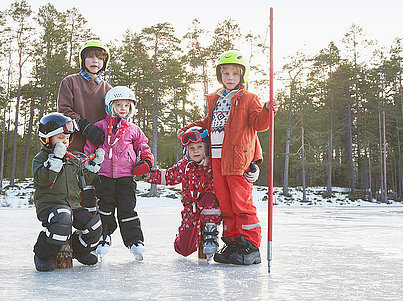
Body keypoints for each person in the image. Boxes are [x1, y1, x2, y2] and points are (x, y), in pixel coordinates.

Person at [178, 51, 277, 266]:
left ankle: (249, 245)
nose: (230, 78)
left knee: (241, 204)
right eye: (226, 73)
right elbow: (208, 122)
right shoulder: (216, 99)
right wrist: (188, 128)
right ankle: (232, 242)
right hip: (217, 159)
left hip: (237, 159)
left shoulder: (249, 98)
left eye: (234, 74)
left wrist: (268, 111)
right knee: (226, 204)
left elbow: (259, 123)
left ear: (242, 76)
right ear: (219, 76)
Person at [84, 86, 154, 261]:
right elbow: (89, 148)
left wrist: (146, 160)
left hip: (126, 176)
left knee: (127, 208)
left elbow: (143, 146)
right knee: (105, 208)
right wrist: (90, 163)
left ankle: (134, 240)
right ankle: (103, 236)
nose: (123, 108)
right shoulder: (99, 127)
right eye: (119, 105)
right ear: (110, 106)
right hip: (104, 176)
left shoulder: (133, 129)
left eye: (127, 105)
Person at [32, 113, 105, 272]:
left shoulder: (71, 159)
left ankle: (80, 251)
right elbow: (43, 180)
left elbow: (82, 180)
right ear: (47, 139)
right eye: (60, 138)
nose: (64, 142)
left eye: (66, 138)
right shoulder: (40, 159)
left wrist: (94, 165)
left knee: (95, 225)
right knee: (62, 217)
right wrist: (55, 160)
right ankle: (43, 255)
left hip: (72, 205)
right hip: (50, 206)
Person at [146, 127, 221, 260]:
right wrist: (147, 173)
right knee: (184, 249)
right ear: (186, 150)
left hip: (209, 207)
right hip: (190, 209)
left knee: (210, 198)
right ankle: (184, 239)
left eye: (199, 147)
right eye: (191, 148)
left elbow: (230, 175)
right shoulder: (184, 166)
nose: (196, 151)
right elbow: (168, 176)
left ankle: (210, 236)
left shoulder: (213, 165)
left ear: (206, 148)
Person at [58, 40, 112, 214]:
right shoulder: (70, 82)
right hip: (74, 148)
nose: (94, 60)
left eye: (99, 57)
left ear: (104, 62)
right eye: (90, 57)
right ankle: (69, 235)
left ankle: (96, 237)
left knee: (98, 199)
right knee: (74, 197)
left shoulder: (108, 90)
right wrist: (85, 126)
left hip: (98, 152)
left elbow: (115, 117)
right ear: (83, 60)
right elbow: (64, 110)